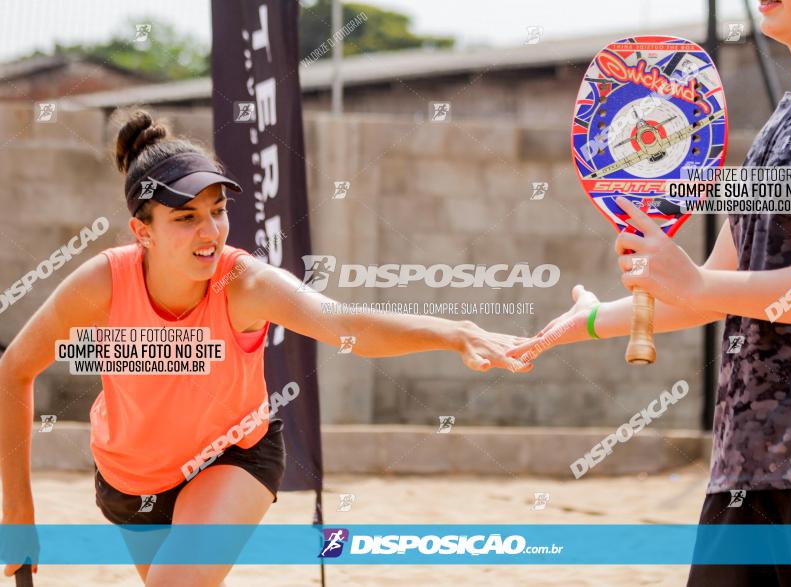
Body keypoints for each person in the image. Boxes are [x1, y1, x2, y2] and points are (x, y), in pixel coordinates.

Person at [0, 110, 530, 586]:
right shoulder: (103, 284)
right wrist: (18, 513)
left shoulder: (242, 282)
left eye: (217, 209)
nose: (209, 230)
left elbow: (342, 324)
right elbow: (14, 370)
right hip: (130, 482)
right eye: (185, 218)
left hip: (233, 455)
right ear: (143, 232)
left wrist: (451, 330)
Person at [510, 0, 791, 584]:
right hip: (744, 472)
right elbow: (710, 289)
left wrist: (698, 281)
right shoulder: (782, 118)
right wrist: (586, 321)